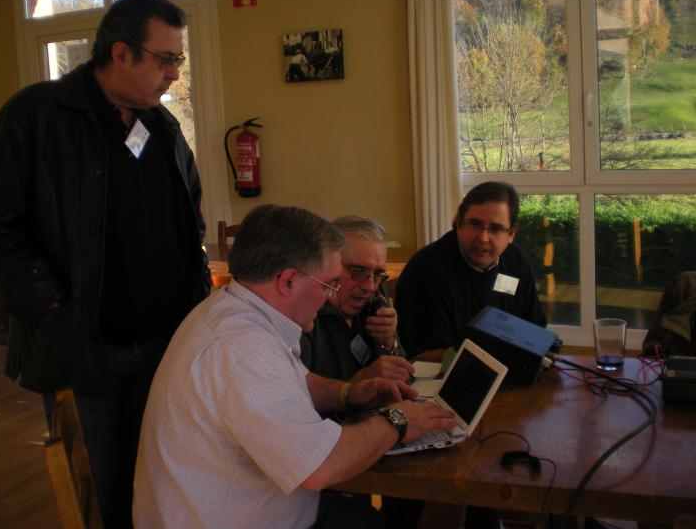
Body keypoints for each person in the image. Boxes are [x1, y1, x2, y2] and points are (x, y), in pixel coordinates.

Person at [0, 0, 210, 529]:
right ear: (121, 53)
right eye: (166, 58)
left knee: (161, 487)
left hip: (163, 347)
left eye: (178, 59)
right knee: (98, 493)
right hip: (85, 351)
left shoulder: (162, 127)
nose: (175, 73)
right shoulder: (34, 118)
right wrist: (53, 311)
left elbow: (188, 218)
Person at [133, 204, 454, 529]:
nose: (330, 297)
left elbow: (300, 382)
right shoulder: (245, 349)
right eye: (329, 284)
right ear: (288, 281)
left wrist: (348, 393)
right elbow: (321, 468)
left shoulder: (233, 307)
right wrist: (398, 420)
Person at [396, 181, 547, 356]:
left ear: (512, 233)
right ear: (459, 223)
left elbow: (534, 328)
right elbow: (430, 354)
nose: (483, 238)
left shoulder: (516, 262)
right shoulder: (425, 270)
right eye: (475, 224)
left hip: (511, 367)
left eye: (495, 229)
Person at [301, 215, 414, 384]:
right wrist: (359, 383)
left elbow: (403, 375)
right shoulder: (304, 312)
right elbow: (296, 396)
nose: (370, 287)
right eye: (358, 271)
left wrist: (388, 342)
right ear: (327, 265)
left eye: (377, 274)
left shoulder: (376, 295)